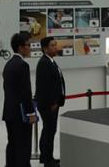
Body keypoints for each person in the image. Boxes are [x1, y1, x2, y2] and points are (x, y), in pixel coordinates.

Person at [3, 32, 36, 167]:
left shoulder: (8, 64)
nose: (30, 48)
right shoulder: (22, 65)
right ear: (20, 47)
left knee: (12, 144)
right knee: (23, 146)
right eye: (28, 45)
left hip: (9, 112)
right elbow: (25, 92)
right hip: (21, 113)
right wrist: (31, 112)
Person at [35, 37, 65, 167]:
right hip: (48, 104)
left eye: (55, 45)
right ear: (45, 48)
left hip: (52, 103)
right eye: (52, 45)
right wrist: (52, 102)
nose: (55, 47)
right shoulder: (44, 63)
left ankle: (46, 156)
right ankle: (48, 160)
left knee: (49, 130)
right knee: (49, 130)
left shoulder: (50, 61)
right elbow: (45, 86)